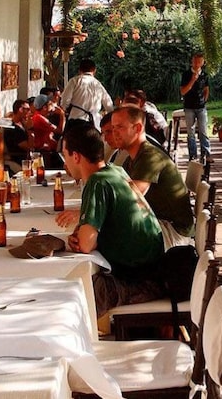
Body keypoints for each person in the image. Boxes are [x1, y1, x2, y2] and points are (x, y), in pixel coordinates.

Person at [54, 121, 165, 316]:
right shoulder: (115, 171)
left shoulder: (97, 183)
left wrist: (83, 237)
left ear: (76, 156)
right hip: (154, 269)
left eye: (66, 156)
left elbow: (86, 245)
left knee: (72, 297)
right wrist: (83, 235)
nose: (65, 163)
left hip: (142, 280)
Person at [110, 106, 194, 236]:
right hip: (157, 223)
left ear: (137, 128)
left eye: (120, 127)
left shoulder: (150, 156)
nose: (114, 133)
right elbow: (116, 191)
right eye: (113, 128)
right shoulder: (131, 160)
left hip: (174, 232)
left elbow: (130, 198)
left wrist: (91, 214)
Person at [60, 58, 113, 129]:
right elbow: (109, 105)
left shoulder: (74, 81)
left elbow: (65, 101)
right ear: (94, 71)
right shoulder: (98, 84)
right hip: (94, 123)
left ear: (79, 71)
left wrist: (64, 109)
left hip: (76, 120)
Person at [179, 52, 210, 162]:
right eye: (195, 61)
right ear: (192, 62)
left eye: (199, 61)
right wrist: (193, 79)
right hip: (189, 107)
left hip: (201, 107)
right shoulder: (186, 75)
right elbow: (183, 91)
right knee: (190, 132)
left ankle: (206, 154)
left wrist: (204, 100)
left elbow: (206, 89)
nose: (197, 64)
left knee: (203, 131)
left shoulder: (205, 75)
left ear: (203, 63)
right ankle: (193, 155)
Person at [3, 99, 35, 165]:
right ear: (20, 109)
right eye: (28, 109)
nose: (30, 112)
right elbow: (29, 147)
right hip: (20, 161)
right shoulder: (12, 129)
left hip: (28, 159)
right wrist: (30, 129)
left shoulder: (22, 125)